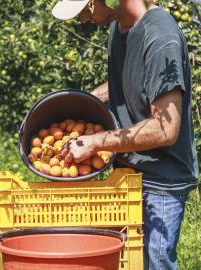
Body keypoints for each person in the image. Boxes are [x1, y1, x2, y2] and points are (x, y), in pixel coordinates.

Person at [51, 0, 199, 269]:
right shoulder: (119, 26)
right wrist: (83, 101)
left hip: (161, 179)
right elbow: (133, 78)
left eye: (86, 9)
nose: (84, 19)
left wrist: (96, 142)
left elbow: (165, 129)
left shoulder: (160, 37)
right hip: (128, 173)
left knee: (155, 263)